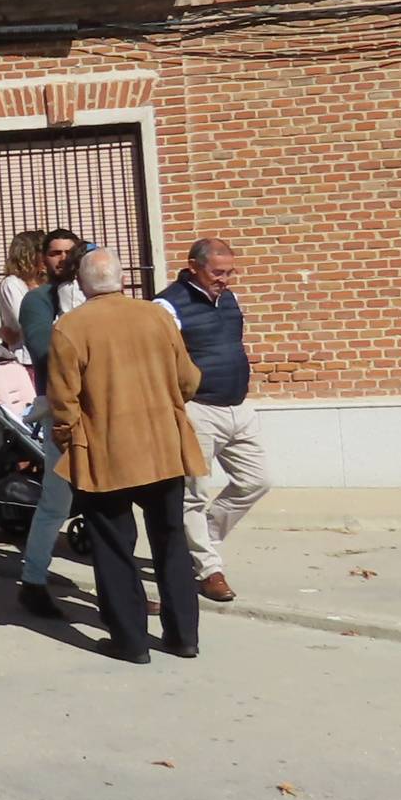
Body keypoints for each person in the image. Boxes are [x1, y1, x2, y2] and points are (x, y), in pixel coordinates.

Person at [47, 251, 206, 663]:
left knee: (113, 545)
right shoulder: (157, 317)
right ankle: (183, 635)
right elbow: (188, 379)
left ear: (82, 285)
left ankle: (130, 640)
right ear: (122, 280)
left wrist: (67, 437)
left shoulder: (70, 327)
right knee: (171, 540)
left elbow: (62, 400)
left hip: (105, 448)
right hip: (162, 445)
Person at [158, 237, 271, 604]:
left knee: (257, 481)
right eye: (217, 272)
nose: (226, 279)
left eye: (230, 272)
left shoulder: (229, 298)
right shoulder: (168, 304)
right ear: (194, 266)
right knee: (194, 493)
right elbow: (160, 359)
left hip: (238, 406)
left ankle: (201, 542)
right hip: (198, 408)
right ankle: (208, 569)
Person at [15, 229, 87, 616]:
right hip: (59, 411)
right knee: (56, 501)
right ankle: (33, 580)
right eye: (54, 253)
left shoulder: (94, 296)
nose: (62, 259)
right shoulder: (37, 300)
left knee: (112, 505)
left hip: (103, 411)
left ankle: (120, 589)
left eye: (69, 252)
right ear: (44, 259)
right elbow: (45, 351)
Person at [0, 229, 49, 358]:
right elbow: (27, 321)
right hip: (28, 358)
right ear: (31, 255)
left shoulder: (46, 281)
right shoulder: (11, 284)